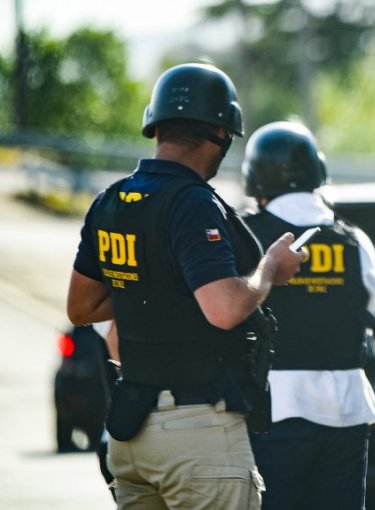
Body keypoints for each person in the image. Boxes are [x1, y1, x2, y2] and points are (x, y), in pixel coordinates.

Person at [66, 62, 306, 509]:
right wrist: (271, 267)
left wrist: (149, 293)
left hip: (131, 435)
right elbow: (224, 309)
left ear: (156, 128)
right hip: (197, 434)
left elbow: (80, 308)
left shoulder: (112, 201)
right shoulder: (193, 203)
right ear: (218, 136)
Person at [241, 121, 375, 510]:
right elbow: (365, 309)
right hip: (347, 411)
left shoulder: (244, 233)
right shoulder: (354, 240)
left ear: (255, 180)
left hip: (272, 410)